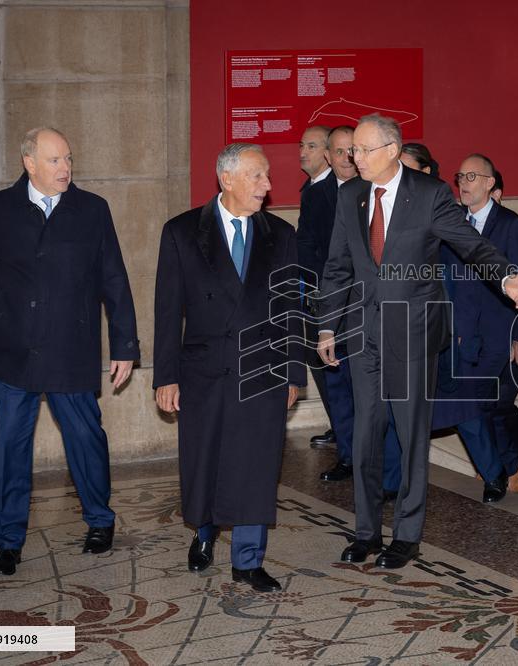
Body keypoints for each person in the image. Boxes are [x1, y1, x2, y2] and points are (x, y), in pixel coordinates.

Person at [317, 114, 518, 569]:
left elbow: (471, 244)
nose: (354, 157)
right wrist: (327, 324)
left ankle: (408, 536)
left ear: (392, 151)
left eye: (363, 149)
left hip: (412, 332)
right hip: (362, 331)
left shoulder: (430, 194)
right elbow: (338, 264)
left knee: (412, 434)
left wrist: (508, 276)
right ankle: (366, 531)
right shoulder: (351, 195)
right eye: (352, 149)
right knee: (365, 433)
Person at [0, 126, 139, 576]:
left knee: (85, 437)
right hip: (11, 350)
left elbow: (113, 278)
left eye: (69, 159)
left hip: (70, 348)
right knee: (11, 446)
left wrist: (125, 344)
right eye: (55, 161)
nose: (65, 169)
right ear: (29, 163)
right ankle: (8, 541)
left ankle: (100, 520)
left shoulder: (92, 209)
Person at [153, 143, 305, 592]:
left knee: (256, 464)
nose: (268, 186)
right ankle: (203, 534)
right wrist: (166, 375)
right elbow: (167, 310)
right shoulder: (181, 232)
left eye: (267, 177)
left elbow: (291, 310)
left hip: (263, 368)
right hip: (204, 369)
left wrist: (294, 372)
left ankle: (248, 559)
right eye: (258, 177)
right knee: (206, 459)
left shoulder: (282, 235)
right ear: (228, 180)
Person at [454, 154, 518, 497]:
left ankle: (507, 471)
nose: (464, 182)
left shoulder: (512, 226)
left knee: (478, 402)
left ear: (490, 183)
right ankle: (505, 468)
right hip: (462, 332)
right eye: (460, 176)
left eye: (472, 176)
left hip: (497, 333)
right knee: (481, 404)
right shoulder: (455, 223)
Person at [298, 126, 358, 481]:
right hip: (329, 304)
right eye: (338, 152)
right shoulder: (315, 195)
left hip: (367, 305)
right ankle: (348, 457)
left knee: (366, 388)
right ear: (329, 157)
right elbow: (304, 244)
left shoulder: (373, 192)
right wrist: (326, 284)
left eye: (352, 150)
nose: (345, 158)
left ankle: (373, 460)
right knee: (336, 385)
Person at [298, 125, 337, 448]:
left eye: (311, 146)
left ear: (326, 154)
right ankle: (338, 426)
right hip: (311, 291)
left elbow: (327, 250)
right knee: (318, 363)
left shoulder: (328, 192)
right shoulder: (311, 188)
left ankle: (343, 430)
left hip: (324, 293)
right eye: (302, 145)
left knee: (328, 364)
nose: (303, 151)